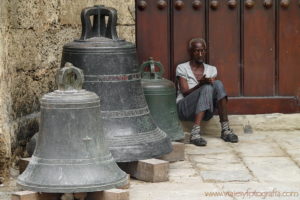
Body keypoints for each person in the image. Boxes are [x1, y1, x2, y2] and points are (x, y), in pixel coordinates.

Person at [176, 38, 238, 146]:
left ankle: (225, 130)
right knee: (206, 87)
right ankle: (195, 134)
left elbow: (214, 93)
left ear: (205, 51)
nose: (200, 54)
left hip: (205, 111)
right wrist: (201, 84)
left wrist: (205, 84)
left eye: (202, 51)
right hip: (184, 108)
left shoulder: (212, 69)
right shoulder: (182, 68)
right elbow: (185, 92)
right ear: (191, 52)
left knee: (217, 84)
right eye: (196, 51)